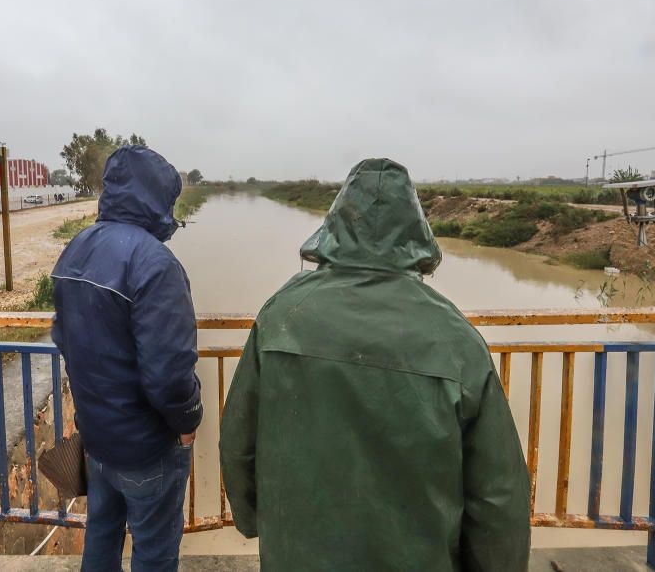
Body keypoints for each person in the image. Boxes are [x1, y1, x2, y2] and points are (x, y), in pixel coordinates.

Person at [220, 158, 531, 571]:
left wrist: (259, 522)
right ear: (417, 233)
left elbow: (238, 443)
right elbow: (498, 496)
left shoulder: (282, 316)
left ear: (335, 225)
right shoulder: (456, 337)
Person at [52, 145, 202, 572]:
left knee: (101, 534)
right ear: (158, 199)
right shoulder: (156, 263)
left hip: (98, 440)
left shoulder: (76, 249)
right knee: (153, 552)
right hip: (147, 449)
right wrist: (188, 420)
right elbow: (170, 375)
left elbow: (65, 339)